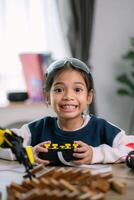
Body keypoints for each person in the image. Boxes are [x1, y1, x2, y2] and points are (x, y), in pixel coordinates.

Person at [1, 57, 134, 166]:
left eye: (77, 89)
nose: (68, 97)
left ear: (89, 96)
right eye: (59, 90)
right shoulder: (37, 128)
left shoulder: (101, 128)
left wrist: (96, 154)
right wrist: (28, 153)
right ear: (47, 97)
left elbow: (131, 147)